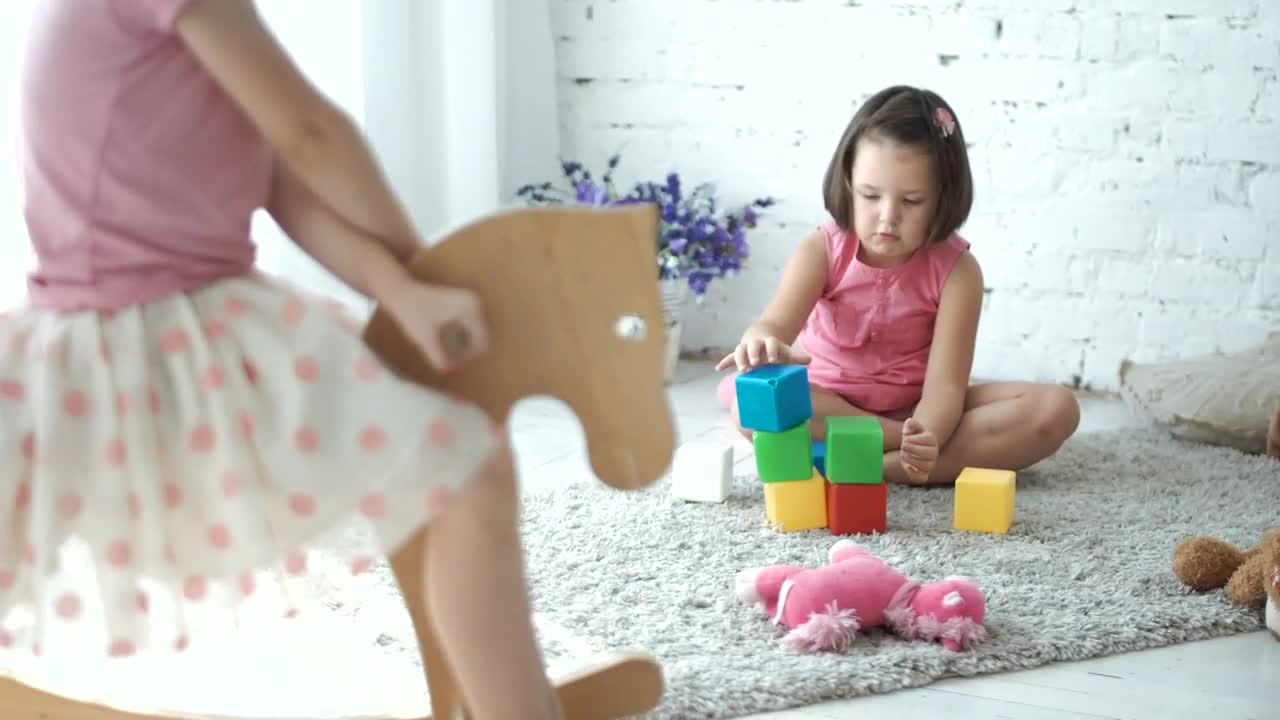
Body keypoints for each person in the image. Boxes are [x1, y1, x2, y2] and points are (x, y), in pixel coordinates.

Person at [1, 1, 561, 718]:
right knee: (467, 474)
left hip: (153, 314)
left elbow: (275, 177)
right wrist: (434, 266)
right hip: (148, 335)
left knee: (461, 468)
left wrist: (403, 285)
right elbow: (311, 135)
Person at [716, 85, 1080, 486]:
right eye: (870, 195)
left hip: (918, 408)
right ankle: (906, 456)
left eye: (911, 201)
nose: (887, 217)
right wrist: (760, 342)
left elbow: (946, 385)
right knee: (745, 404)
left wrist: (928, 431)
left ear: (943, 197)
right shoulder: (821, 250)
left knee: (1056, 409)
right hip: (830, 405)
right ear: (848, 182)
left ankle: (881, 464)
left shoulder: (959, 271)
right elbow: (773, 326)